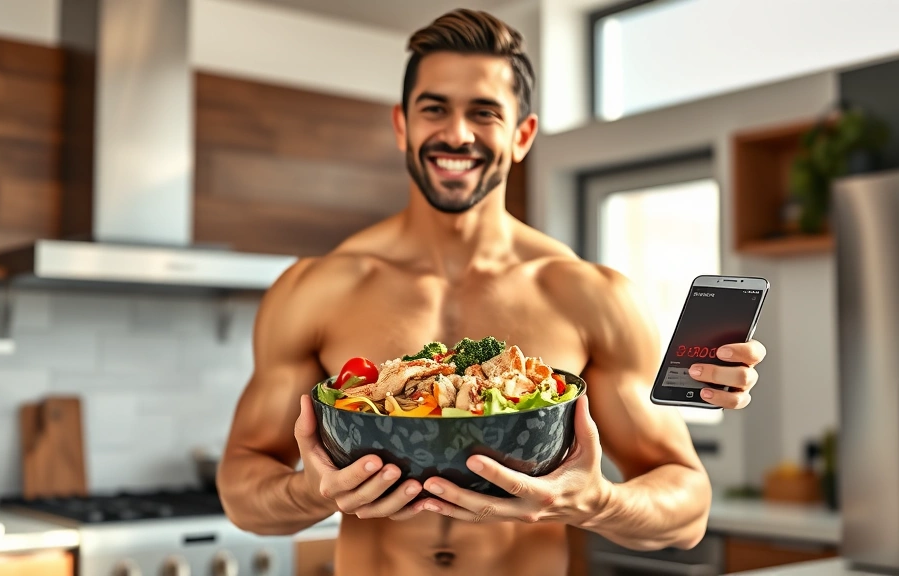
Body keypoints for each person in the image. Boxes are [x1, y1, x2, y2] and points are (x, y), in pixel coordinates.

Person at [218, 8, 766, 576]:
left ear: (522, 135)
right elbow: (241, 489)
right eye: (435, 109)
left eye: (484, 113)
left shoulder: (588, 296)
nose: (457, 134)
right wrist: (313, 493)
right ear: (403, 124)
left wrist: (598, 501)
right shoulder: (316, 288)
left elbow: (686, 508)